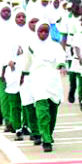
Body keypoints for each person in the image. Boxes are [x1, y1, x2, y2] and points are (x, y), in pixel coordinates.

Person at [25, 21, 67, 152]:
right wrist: (23, 75)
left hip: (53, 80)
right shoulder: (31, 46)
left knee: (52, 111)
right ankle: (46, 140)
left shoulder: (55, 46)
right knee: (42, 111)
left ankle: (48, 133)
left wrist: (61, 65)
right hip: (38, 80)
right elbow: (27, 62)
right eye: (40, 31)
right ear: (36, 31)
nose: (43, 34)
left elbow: (61, 58)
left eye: (46, 31)